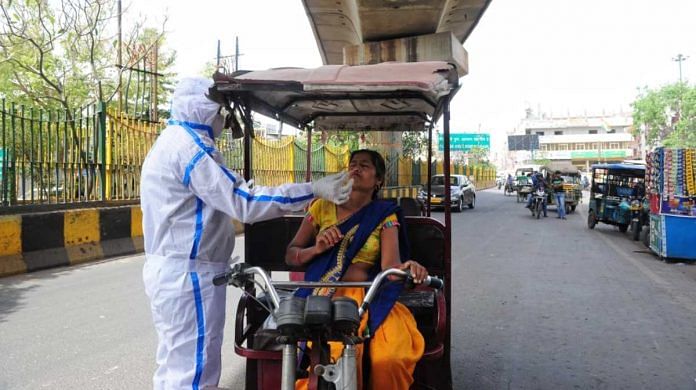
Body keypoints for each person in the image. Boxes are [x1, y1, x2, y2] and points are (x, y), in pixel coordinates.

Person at [140, 77, 353, 390]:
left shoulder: (175, 142)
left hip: (182, 273)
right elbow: (245, 202)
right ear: (204, 109)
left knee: (176, 366)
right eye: (220, 113)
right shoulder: (190, 150)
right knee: (192, 374)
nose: (223, 121)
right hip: (189, 277)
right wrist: (313, 190)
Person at [286, 149, 428, 389]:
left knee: (390, 357)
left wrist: (409, 268)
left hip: (368, 297)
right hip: (323, 295)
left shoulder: (384, 215)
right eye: (352, 164)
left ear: (378, 180)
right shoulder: (321, 207)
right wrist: (316, 249)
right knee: (335, 357)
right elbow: (292, 255)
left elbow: (390, 269)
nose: (356, 169)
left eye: (364, 165)